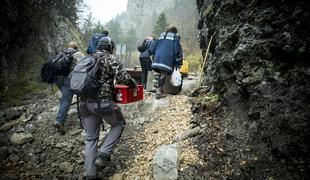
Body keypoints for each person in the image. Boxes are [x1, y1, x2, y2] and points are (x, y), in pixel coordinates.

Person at [79, 36, 137, 179]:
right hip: (104, 104)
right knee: (119, 124)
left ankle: (90, 174)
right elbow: (125, 78)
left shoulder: (87, 59)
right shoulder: (110, 59)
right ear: (110, 47)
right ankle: (104, 154)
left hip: (84, 105)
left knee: (91, 139)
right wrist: (134, 85)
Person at [53, 41, 85, 134]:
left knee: (65, 100)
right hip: (72, 79)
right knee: (83, 97)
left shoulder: (62, 54)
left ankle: (59, 121)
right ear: (76, 48)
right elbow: (85, 65)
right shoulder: (79, 54)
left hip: (60, 80)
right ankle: (83, 121)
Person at [151, 26, 183, 99]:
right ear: (174, 32)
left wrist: (154, 56)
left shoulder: (161, 36)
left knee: (161, 73)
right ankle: (158, 93)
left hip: (157, 57)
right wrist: (178, 63)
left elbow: (153, 48)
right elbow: (177, 51)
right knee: (163, 74)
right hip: (167, 57)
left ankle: (160, 90)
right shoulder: (175, 37)